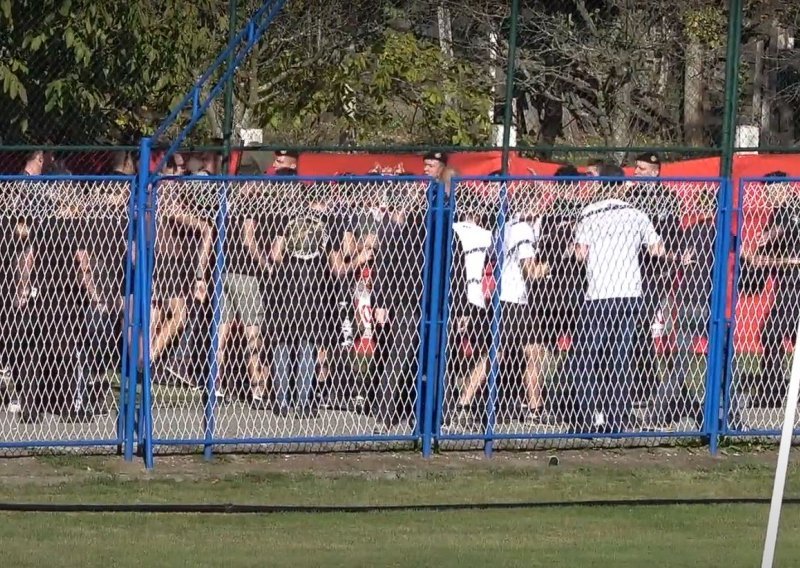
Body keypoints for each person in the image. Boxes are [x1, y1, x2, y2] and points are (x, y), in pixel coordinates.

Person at [569, 163, 667, 433]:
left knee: (586, 357)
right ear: (622, 186)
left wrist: (572, 246)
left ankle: (590, 416)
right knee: (620, 357)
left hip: (599, 293)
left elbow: (580, 255)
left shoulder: (589, 212)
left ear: (601, 185)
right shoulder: (636, 214)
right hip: (629, 292)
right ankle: (617, 416)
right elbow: (657, 249)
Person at [646, 190, 715, 428]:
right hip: (709, 303)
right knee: (722, 361)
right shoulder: (720, 233)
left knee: (679, 366)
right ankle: (721, 416)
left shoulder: (687, 234)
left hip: (687, 301)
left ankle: (656, 414)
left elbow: (667, 253)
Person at [267, 176, 333, 419]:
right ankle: (304, 402)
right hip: (313, 283)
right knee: (307, 345)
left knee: (282, 343)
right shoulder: (325, 222)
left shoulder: (287, 218)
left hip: (288, 281)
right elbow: (334, 260)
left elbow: (275, 254)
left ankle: (281, 401)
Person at [370, 176, 429, 432]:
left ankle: (422, 415)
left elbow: (455, 268)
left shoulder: (432, 233)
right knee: (401, 358)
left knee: (420, 359)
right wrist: (381, 301)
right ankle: (386, 414)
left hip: (421, 303)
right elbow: (385, 270)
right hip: (408, 302)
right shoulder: (402, 237)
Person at [626, 152, 683, 404]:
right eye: (636, 168)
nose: (636, 172)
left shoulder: (667, 198)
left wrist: (669, 261)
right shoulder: (631, 196)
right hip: (629, 269)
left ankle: (645, 385)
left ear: (655, 171)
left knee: (640, 326)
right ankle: (638, 383)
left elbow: (674, 235)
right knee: (630, 327)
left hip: (655, 271)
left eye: (641, 168)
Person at [744, 172, 800, 408]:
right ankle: (774, 388)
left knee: (772, 332)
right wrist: (756, 258)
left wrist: (769, 236)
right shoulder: (777, 212)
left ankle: (774, 390)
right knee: (775, 333)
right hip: (786, 284)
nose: (768, 195)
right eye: (767, 191)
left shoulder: (793, 208)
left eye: (773, 190)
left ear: (785, 189)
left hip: (794, 286)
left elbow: (787, 227)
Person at [215, 181, 271, 409]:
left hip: (225, 271)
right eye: (256, 185)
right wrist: (265, 263)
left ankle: (216, 387)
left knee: (222, 332)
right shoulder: (250, 205)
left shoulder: (226, 205)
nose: (260, 190)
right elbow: (248, 238)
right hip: (247, 275)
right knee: (252, 333)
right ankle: (256, 390)